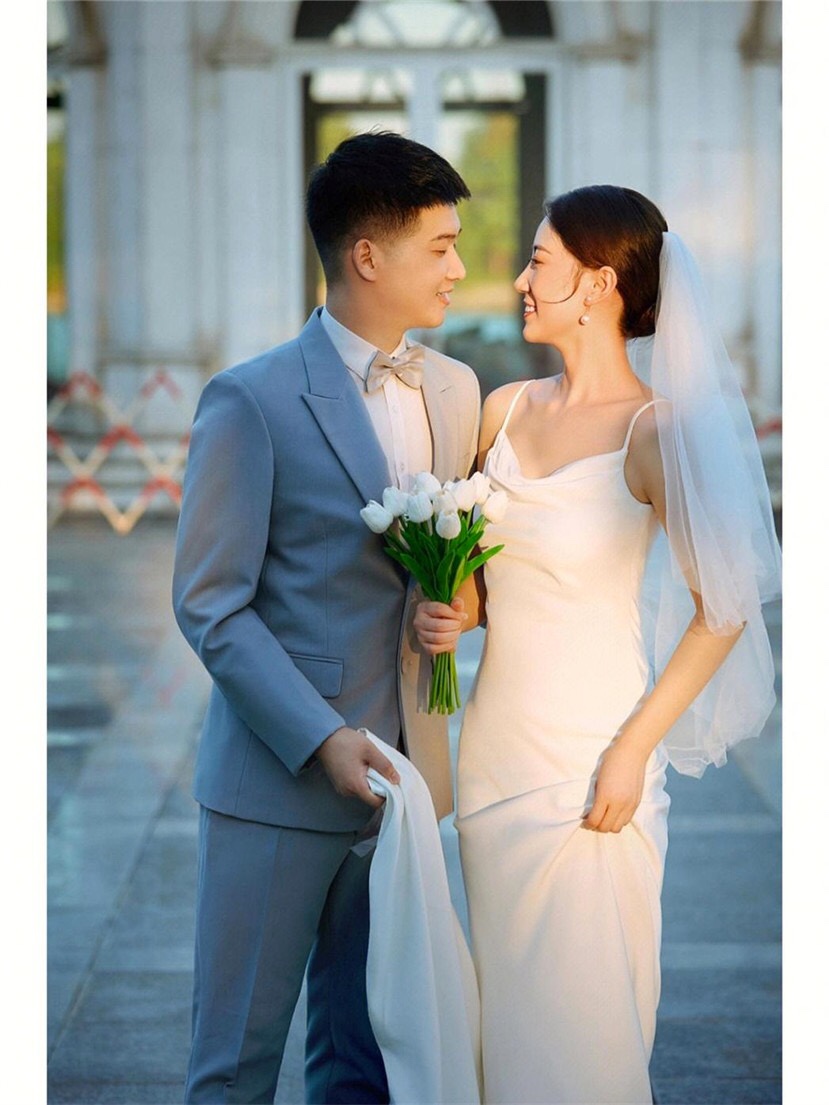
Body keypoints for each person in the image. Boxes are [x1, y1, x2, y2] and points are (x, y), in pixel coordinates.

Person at [414, 184, 781, 1104]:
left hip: (592, 766)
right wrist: (451, 609)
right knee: (506, 1030)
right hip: (493, 760)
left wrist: (630, 750)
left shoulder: (654, 432)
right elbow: (484, 589)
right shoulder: (501, 411)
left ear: (598, 284)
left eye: (539, 261)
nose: (518, 279)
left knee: (584, 1038)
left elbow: (724, 610)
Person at [173, 130, 480, 1104]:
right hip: (278, 783)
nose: (457, 268)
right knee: (234, 1064)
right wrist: (320, 738)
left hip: (407, 787)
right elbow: (210, 603)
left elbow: (454, 569)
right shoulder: (250, 399)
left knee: (365, 1064)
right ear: (368, 255)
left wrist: (455, 606)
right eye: (440, 246)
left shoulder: (456, 390)